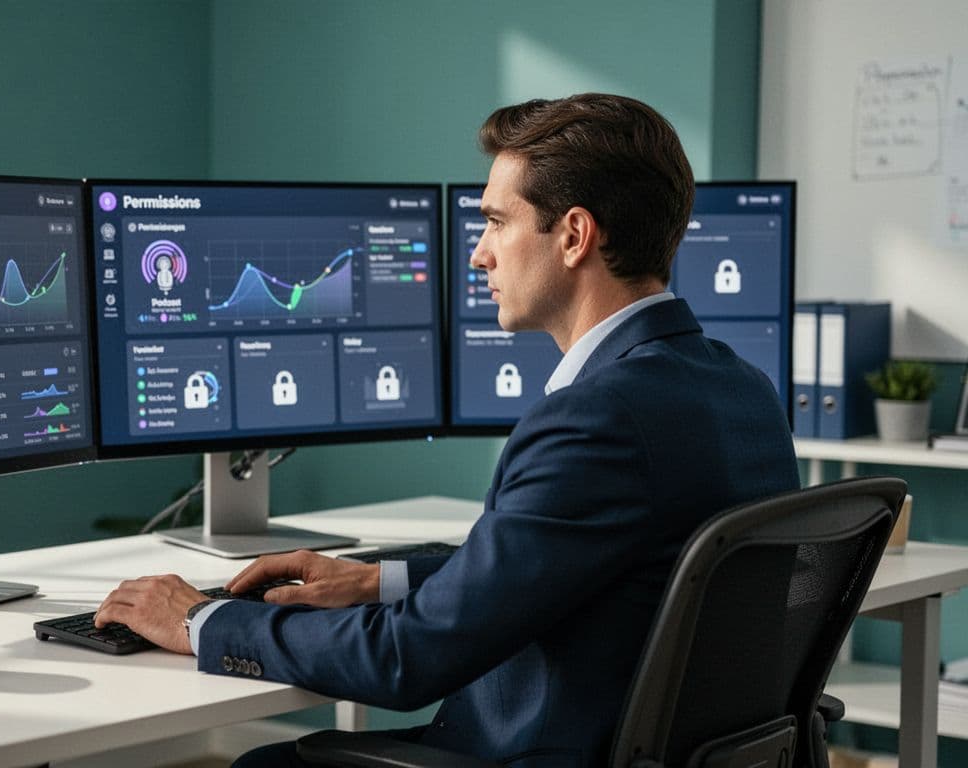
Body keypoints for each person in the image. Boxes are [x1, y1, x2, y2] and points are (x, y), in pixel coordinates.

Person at [95, 93, 799, 767]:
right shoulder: (742, 388)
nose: (478, 255)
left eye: (496, 222)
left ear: (576, 236)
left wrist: (199, 621)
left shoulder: (595, 418)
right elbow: (586, 570)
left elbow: (407, 661)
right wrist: (377, 580)